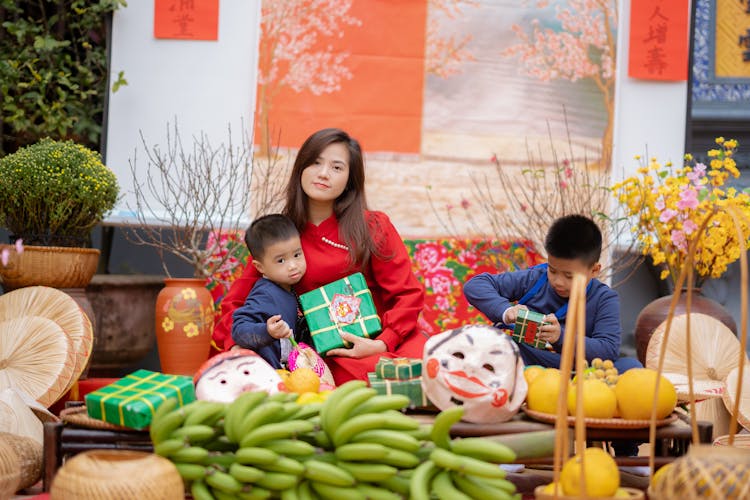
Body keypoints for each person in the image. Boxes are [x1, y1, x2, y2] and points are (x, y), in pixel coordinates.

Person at [213, 128, 426, 384]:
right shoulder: (282, 234)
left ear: (350, 179)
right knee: (363, 378)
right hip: (323, 352)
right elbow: (238, 301)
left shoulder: (373, 226)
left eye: (337, 168)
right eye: (315, 163)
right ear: (301, 167)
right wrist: (240, 348)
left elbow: (407, 294)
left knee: (427, 369)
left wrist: (383, 342)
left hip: (382, 342)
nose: (324, 174)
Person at [463, 214, 642, 374]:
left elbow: (608, 351)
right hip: (524, 358)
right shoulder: (536, 278)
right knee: (487, 342)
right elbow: (476, 285)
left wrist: (560, 336)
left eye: (569, 276)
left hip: (574, 370)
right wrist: (506, 311)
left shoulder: (604, 298)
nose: (558, 281)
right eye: (553, 270)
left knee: (630, 367)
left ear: (594, 270)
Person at [231, 214, 306, 369]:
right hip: (266, 374)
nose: (293, 265)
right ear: (260, 267)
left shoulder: (288, 289)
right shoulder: (265, 294)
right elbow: (239, 329)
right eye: (281, 260)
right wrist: (267, 331)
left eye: (297, 255)